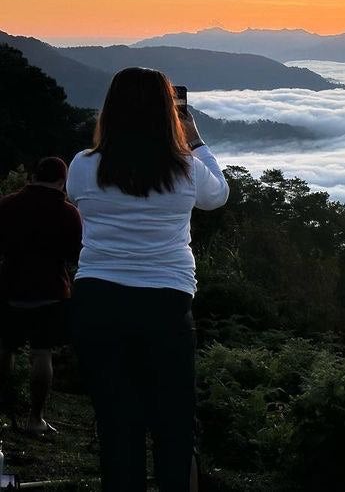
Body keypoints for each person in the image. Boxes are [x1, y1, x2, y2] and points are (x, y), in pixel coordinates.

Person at [66, 68, 229, 492]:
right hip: (165, 303)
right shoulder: (186, 168)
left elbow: (78, 199)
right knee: (173, 423)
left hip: (97, 300)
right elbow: (218, 196)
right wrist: (195, 140)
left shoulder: (83, 165)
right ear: (167, 112)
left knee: (117, 423)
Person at [0, 156, 82, 435]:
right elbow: (74, 254)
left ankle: (4, 410)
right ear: (62, 181)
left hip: (10, 288)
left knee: (5, 349)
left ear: (33, 176)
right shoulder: (69, 213)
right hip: (50, 291)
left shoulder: (7, 205)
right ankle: (35, 419)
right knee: (42, 353)